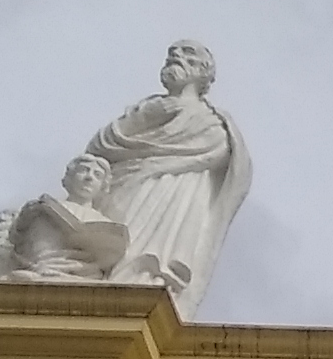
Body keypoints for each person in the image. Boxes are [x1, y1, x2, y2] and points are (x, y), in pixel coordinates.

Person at [79, 41, 251, 312]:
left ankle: (146, 283)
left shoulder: (213, 124)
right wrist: (143, 119)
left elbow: (223, 162)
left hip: (172, 196)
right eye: (172, 54)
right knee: (114, 246)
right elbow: (100, 146)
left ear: (203, 70)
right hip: (126, 188)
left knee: (145, 258)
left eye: (187, 54)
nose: (176, 57)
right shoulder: (144, 109)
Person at [0, 153, 129, 283]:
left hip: (87, 277)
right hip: (45, 270)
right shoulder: (42, 209)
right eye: (83, 170)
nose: (89, 177)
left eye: (97, 175)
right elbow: (18, 247)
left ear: (103, 187)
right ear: (69, 178)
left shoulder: (106, 224)